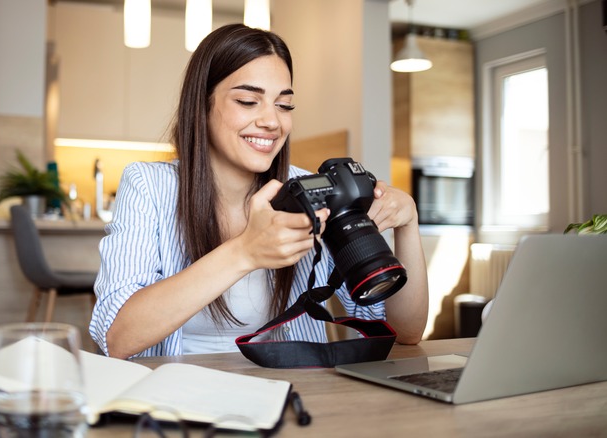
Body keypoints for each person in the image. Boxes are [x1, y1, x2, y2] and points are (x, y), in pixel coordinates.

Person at [89, 23, 428, 359]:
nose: (272, 121)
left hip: (291, 387)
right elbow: (117, 337)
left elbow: (407, 332)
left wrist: (408, 223)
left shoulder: (311, 191)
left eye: (284, 105)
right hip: (179, 387)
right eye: (248, 101)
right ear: (202, 105)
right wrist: (244, 252)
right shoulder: (149, 185)